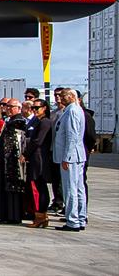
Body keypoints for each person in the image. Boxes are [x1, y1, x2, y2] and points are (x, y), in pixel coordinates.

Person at [53, 89, 87, 232]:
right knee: (78, 188)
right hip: (76, 155)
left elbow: (72, 136)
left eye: (64, 96)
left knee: (71, 189)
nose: (61, 98)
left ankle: (73, 220)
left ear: (72, 97)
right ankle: (80, 217)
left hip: (71, 157)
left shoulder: (72, 111)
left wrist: (67, 157)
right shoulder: (74, 110)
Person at [0, 99, 26, 224]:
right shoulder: (8, 121)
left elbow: (12, 143)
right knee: (3, 188)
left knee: (13, 190)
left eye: (11, 106)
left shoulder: (18, 122)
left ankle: (13, 216)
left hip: (13, 162)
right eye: (6, 106)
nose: (8, 108)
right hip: (4, 160)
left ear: (18, 108)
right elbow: (1, 140)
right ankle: (4, 214)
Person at [24, 99, 53, 228]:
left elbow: (37, 141)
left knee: (38, 188)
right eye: (33, 108)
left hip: (39, 158)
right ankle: (41, 215)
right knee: (38, 187)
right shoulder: (37, 121)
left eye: (37, 108)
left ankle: (40, 215)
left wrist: (25, 154)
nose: (34, 110)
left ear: (44, 108)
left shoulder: (45, 122)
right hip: (36, 157)